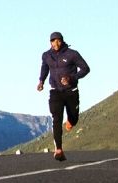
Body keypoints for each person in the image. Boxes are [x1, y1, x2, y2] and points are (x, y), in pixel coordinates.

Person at [37, 31, 90, 162]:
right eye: (53, 41)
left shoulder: (72, 54)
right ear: (50, 42)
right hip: (55, 91)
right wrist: (41, 81)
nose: (56, 43)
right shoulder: (46, 55)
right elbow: (44, 68)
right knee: (56, 118)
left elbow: (85, 69)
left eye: (58, 40)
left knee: (74, 117)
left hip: (71, 91)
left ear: (62, 41)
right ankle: (58, 149)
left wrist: (72, 78)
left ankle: (71, 121)